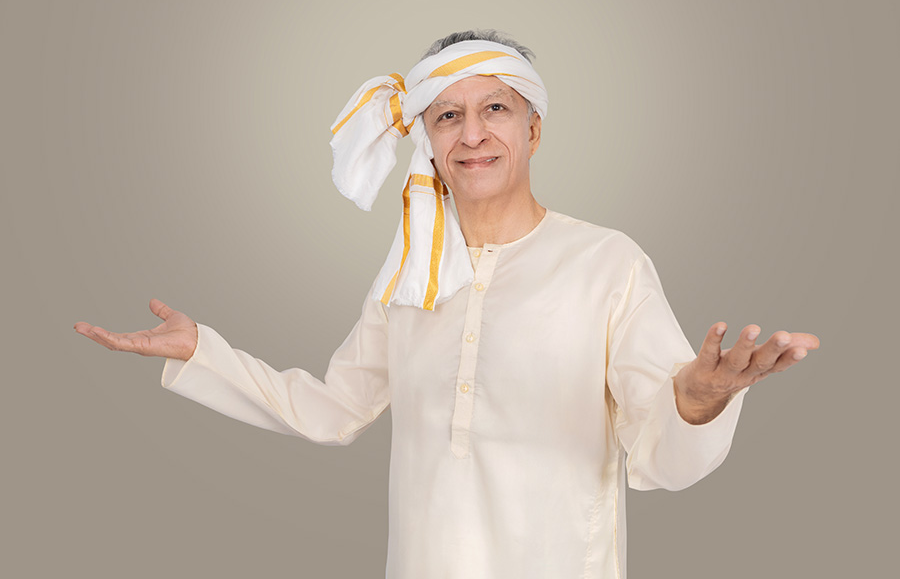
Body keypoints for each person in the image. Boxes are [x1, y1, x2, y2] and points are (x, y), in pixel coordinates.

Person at [74, 30, 820, 578]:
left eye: (496, 107)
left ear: (534, 128)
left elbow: (660, 449)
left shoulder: (607, 263)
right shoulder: (412, 274)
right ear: (427, 141)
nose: (473, 135)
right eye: (446, 116)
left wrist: (698, 400)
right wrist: (202, 351)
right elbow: (333, 409)